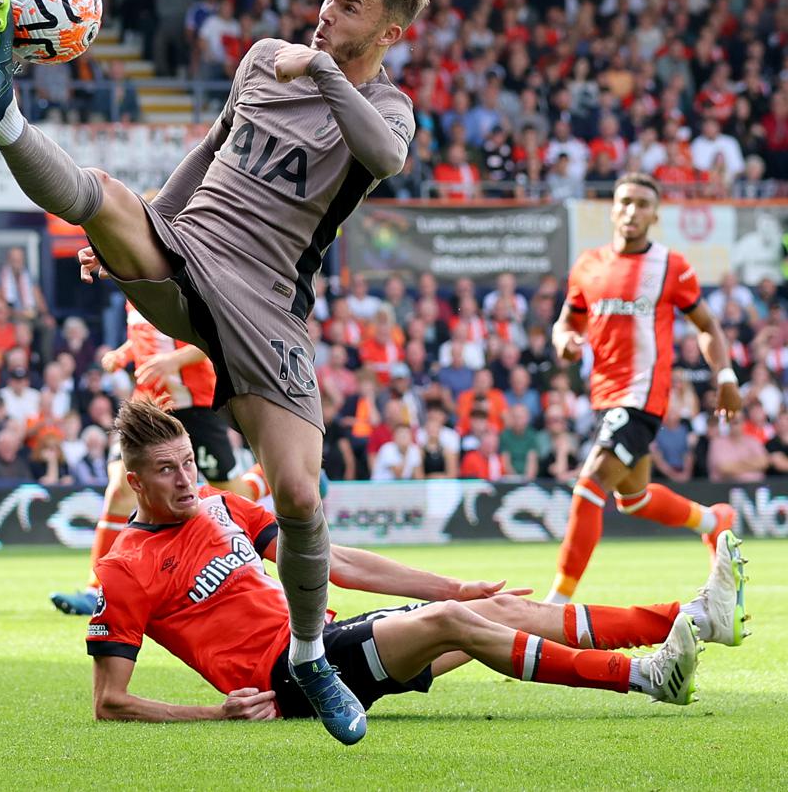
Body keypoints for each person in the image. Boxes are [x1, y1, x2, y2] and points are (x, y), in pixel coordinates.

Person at [0, 0, 430, 743]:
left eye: (349, 7)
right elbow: (206, 154)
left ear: (389, 33)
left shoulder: (387, 108)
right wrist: (135, 235)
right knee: (102, 196)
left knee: (301, 499)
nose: (326, 12)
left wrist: (316, 71)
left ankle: (310, 657)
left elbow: (384, 157)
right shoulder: (260, 63)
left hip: (268, 305)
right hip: (191, 247)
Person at [86, 400, 747, 724]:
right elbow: (109, 702)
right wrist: (216, 713)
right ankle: (644, 677)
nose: (185, 480)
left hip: (325, 645)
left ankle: (693, 616)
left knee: (499, 606)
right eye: (165, 471)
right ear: (135, 482)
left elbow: (336, 560)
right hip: (288, 679)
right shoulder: (125, 566)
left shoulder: (224, 508)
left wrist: (453, 583)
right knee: (462, 621)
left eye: (186, 464)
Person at [545, 175, 740, 604]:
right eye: (625, 202)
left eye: (642, 204)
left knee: (591, 482)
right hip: (604, 396)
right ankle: (714, 520)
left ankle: (555, 606)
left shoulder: (671, 266)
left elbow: (707, 325)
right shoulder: (588, 265)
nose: (632, 211)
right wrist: (564, 339)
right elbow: (568, 321)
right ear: (613, 209)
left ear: (655, 215)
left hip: (642, 396)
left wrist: (725, 377)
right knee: (632, 498)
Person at [50, 301, 242, 616]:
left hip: (195, 405)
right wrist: (122, 353)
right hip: (149, 404)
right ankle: (97, 590)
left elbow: (219, 336)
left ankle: (275, 480)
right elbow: (144, 334)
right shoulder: (133, 289)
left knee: (231, 494)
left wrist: (173, 361)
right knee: (120, 489)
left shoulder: (187, 280)